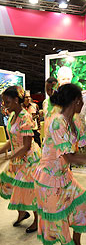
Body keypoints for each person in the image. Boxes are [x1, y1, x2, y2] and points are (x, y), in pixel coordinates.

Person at [33, 84, 86, 245]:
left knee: (83, 203)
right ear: (76, 102)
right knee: (53, 219)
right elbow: (69, 157)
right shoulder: (57, 122)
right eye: (81, 100)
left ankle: (76, 244)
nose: (83, 103)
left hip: (63, 176)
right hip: (49, 179)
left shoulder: (76, 121)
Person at [0, 86, 41, 232]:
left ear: (16, 100)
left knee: (30, 189)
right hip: (18, 157)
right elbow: (12, 139)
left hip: (28, 159)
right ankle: (22, 213)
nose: (4, 105)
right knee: (8, 183)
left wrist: (9, 157)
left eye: (7, 102)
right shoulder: (12, 116)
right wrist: (2, 151)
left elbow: (26, 146)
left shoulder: (25, 117)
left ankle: (37, 220)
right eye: (3, 102)